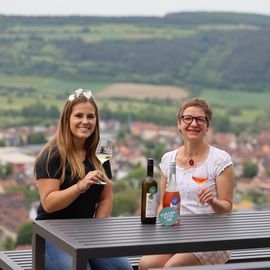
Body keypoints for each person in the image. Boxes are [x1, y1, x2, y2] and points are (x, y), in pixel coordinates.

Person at [34, 88, 132, 270]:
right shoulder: (51, 155)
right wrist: (81, 185)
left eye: (91, 116)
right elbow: (48, 203)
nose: (85, 121)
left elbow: (106, 195)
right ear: (67, 119)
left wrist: (98, 233)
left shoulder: (101, 151)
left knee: (121, 268)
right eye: (79, 116)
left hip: (86, 233)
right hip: (52, 235)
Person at [139, 98, 234, 269]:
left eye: (200, 119)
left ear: (207, 126)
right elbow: (163, 205)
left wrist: (213, 202)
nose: (193, 124)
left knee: (171, 268)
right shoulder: (168, 160)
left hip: (212, 236)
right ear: (179, 123)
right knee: (146, 265)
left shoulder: (220, 160)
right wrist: (166, 223)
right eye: (188, 118)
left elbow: (227, 206)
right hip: (177, 233)